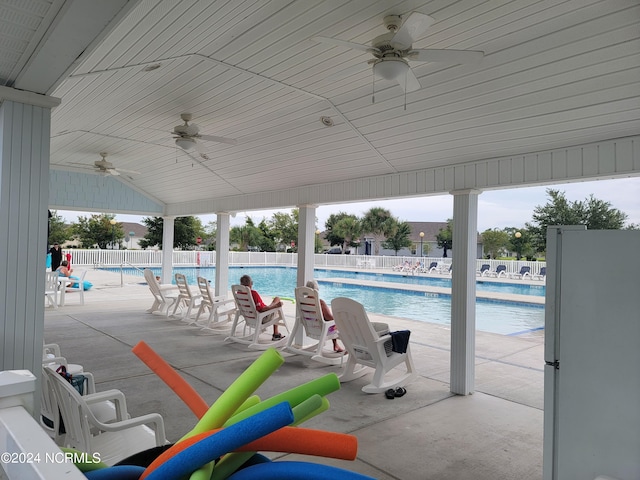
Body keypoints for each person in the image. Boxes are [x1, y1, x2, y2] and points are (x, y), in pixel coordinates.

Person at [240, 275, 285, 341]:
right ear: (251, 283)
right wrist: (275, 306)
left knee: (276, 299)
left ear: (241, 284)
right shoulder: (253, 294)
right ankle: (276, 334)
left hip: (249, 317)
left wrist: (270, 306)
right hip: (261, 318)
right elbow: (261, 309)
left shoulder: (239, 293)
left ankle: (271, 305)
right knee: (277, 307)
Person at [305, 280, 344, 353]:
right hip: (323, 331)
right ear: (317, 289)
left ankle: (336, 345)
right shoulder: (320, 303)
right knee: (339, 323)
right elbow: (330, 318)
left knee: (328, 320)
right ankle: (341, 346)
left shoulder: (303, 302)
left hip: (310, 328)